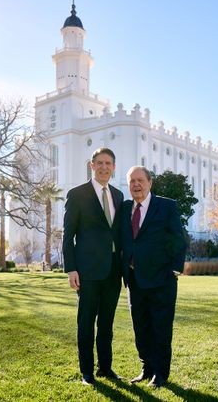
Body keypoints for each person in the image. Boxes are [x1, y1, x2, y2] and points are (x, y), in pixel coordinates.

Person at [121, 166, 186, 389]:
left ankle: (160, 373)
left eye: (140, 180)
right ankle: (146, 368)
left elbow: (179, 239)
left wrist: (174, 270)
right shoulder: (124, 209)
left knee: (160, 329)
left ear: (150, 183)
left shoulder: (167, 206)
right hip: (134, 280)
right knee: (140, 328)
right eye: (132, 181)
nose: (136, 185)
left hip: (162, 281)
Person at [62, 147, 124, 385]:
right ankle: (87, 371)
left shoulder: (118, 195)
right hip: (86, 272)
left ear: (114, 167)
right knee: (86, 323)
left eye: (108, 163)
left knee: (106, 324)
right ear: (92, 165)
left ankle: (105, 368)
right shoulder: (77, 194)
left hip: (112, 271)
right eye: (99, 163)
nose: (104, 167)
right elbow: (69, 236)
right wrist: (71, 268)